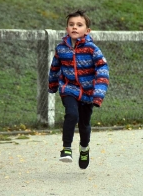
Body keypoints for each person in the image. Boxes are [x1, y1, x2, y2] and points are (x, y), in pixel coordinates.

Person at [48, 10, 109, 169]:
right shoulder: (61, 49)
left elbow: (102, 70)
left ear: (87, 31)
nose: (75, 27)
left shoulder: (92, 49)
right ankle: (66, 149)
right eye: (71, 24)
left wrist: (98, 94)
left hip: (88, 93)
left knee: (84, 124)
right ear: (67, 28)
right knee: (71, 114)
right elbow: (54, 67)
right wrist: (53, 85)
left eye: (79, 25)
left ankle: (84, 148)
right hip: (69, 88)